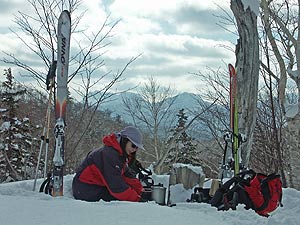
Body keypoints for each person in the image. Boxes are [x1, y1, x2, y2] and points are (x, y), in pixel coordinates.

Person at [72, 126, 147, 202]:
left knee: (124, 193)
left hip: (95, 186)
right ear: (124, 140)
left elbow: (126, 175)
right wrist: (138, 200)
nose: (134, 150)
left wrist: (140, 191)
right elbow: (117, 187)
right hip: (85, 189)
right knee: (121, 200)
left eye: (137, 147)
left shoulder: (119, 154)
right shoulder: (110, 155)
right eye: (133, 145)